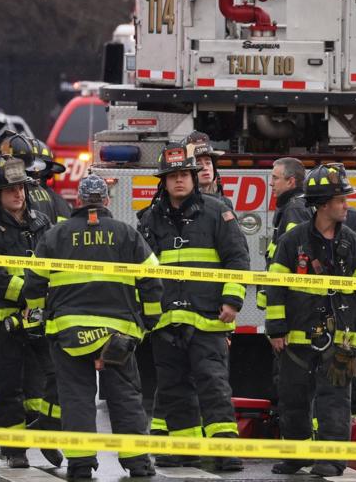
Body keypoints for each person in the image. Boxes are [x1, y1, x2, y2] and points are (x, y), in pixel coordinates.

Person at [24, 174, 162, 479]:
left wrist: (37, 314)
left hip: (68, 331)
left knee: (76, 397)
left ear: (78, 200)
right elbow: (152, 280)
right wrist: (149, 320)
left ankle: (80, 463)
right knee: (124, 396)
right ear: (107, 200)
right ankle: (137, 462)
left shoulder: (55, 235)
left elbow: (33, 284)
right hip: (118, 335)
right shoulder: (127, 234)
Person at [136, 143, 249, 472]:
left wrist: (232, 300)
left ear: (194, 178)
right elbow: (142, 269)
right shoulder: (150, 219)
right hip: (166, 320)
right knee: (173, 388)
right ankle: (185, 448)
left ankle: (225, 449)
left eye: (184, 174)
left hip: (208, 317)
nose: (180, 180)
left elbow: (237, 258)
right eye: (173, 176)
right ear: (164, 181)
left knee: (213, 384)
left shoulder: (217, 212)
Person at [266, 163, 356, 477]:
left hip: (343, 336)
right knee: (292, 398)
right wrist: (276, 329)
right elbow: (275, 287)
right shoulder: (293, 241)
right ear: (324, 204)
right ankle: (296, 455)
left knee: (336, 399)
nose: (347, 205)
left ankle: (331, 459)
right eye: (342, 199)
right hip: (297, 337)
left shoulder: (353, 243)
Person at [0, 155, 61, 468]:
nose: (18, 194)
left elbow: (55, 264)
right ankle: (14, 450)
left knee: (50, 379)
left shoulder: (42, 222)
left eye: (22, 188)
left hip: (38, 317)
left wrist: (42, 297)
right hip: (1, 321)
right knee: (8, 385)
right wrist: (29, 294)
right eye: (11, 189)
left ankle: (46, 432)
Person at [260, 157, 311, 309]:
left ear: (291, 182)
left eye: (275, 178)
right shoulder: (294, 205)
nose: (271, 183)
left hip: (292, 298)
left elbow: (296, 254)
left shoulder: (295, 209)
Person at [184, 131, 233, 211]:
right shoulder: (181, 204)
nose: (205, 168)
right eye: (198, 163)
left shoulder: (226, 203)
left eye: (208, 163)